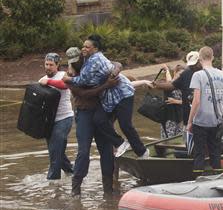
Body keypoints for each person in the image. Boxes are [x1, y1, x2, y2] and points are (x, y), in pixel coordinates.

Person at [41, 47, 119, 197]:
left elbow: (117, 64)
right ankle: (76, 188)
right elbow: (85, 93)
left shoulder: (94, 66)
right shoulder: (69, 77)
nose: (73, 67)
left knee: (107, 151)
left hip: (102, 114)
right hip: (84, 114)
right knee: (83, 152)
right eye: (72, 63)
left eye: (76, 62)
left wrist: (114, 73)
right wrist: (106, 85)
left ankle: (108, 189)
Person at [63, 35, 149, 159]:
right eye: (83, 46)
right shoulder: (88, 60)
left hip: (122, 94)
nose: (84, 49)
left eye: (87, 47)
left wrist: (67, 79)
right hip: (109, 98)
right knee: (99, 120)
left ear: (95, 48)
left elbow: (83, 80)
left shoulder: (95, 60)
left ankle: (142, 152)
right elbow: (113, 64)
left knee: (125, 125)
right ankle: (120, 143)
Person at [187, 46, 223, 177]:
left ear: (199, 59)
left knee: (199, 153)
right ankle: (218, 177)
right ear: (212, 58)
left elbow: (196, 101)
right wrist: (220, 113)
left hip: (201, 120)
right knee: (216, 152)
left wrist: (189, 122)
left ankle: (198, 179)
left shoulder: (198, 75)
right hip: (217, 120)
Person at [38, 53, 74, 181]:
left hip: (65, 118)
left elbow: (65, 85)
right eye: (46, 64)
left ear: (57, 65)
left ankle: (53, 182)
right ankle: (73, 172)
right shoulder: (41, 80)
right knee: (56, 151)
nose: (48, 67)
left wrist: (48, 82)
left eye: (51, 65)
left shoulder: (63, 76)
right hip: (49, 121)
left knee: (54, 151)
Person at [150, 51, 202, 129]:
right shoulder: (186, 73)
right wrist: (156, 84)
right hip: (187, 116)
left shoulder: (205, 73)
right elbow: (172, 85)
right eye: (191, 65)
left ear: (200, 61)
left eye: (195, 64)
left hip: (202, 116)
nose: (193, 66)